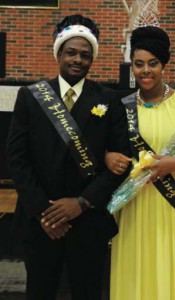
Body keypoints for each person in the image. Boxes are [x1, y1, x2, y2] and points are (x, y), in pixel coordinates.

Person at [6, 14, 131, 300]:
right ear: (58, 54)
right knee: (40, 291)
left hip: (89, 218)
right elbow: (17, 158)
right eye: (71, 52)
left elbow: (120, 163)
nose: (78, 59)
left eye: (85, 55)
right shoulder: (31, 96)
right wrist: (44, 213)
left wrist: (81, 202)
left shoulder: (109, 100)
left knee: (87, 292)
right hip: (42, 221)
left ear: (92, 60)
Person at [105, 26, 175, 300]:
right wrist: (107, 156)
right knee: (136, 267)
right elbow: (108, 149)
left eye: (153, 63)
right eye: (139, 64)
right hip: (136, 204)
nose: (145, 71)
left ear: (164, 64)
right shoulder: (122, 106)